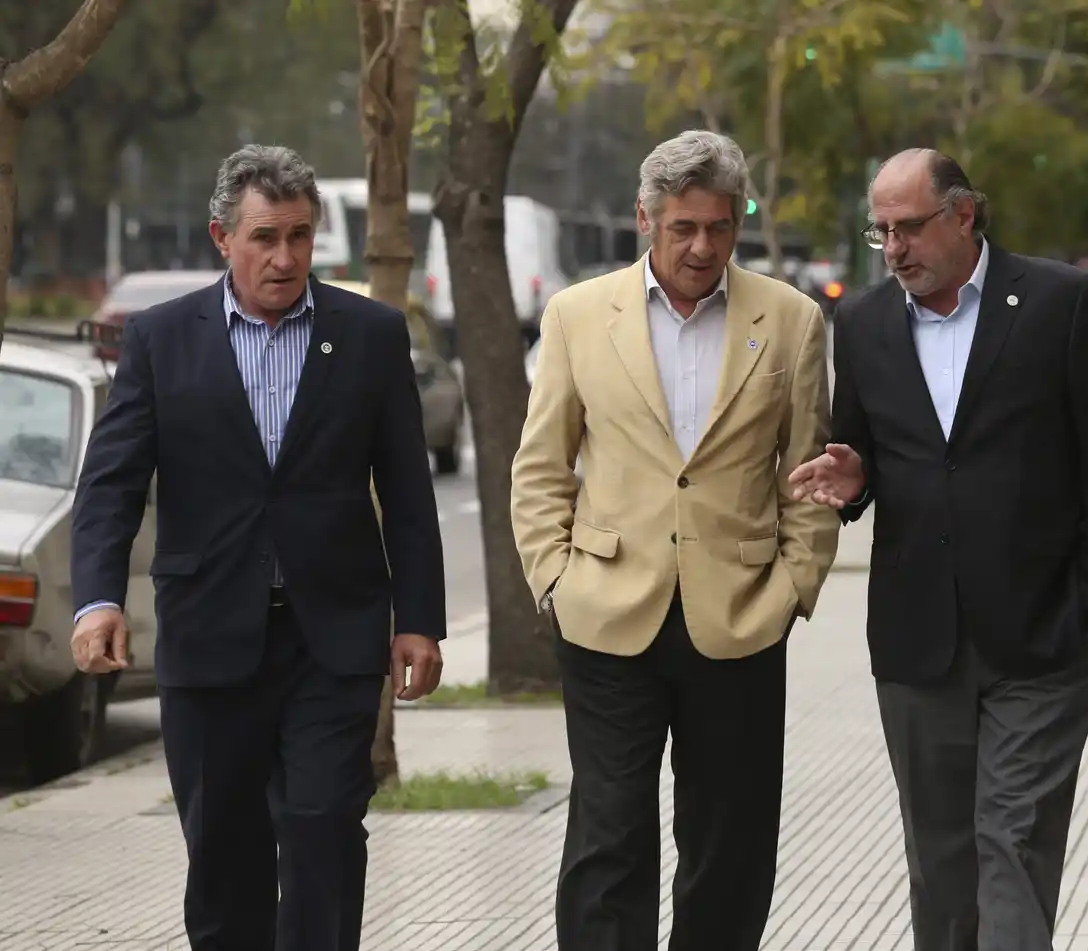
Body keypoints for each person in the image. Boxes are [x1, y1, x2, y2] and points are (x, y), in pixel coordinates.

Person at [69, 145, 447, 951]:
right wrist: (99, 597)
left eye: (301, 238)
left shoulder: (372, 336)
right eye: (266, 237)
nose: (285, 258)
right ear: (221, 236)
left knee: (323, 830)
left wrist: (419, 618)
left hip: (332, 637)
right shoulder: (163, 340)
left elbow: (409, 492)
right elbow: (111, 483)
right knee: (224, 854)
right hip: (210, 639)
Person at [788, 149, 1088, 951]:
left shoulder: (1060, 302)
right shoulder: (864, 323)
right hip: (917, 638)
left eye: (910, 227)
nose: (896, 247)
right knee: (940, 864)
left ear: (965, 215)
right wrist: (851, 475)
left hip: (1043, 637)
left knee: (1012, 841)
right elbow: (862, 454)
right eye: (882, 233)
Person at [510, 129, 840, 951]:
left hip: (740, 615)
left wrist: (794, 585)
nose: (701, 246)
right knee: (608, 832)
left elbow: (809, 474)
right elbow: (541, 465)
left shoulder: (791, 320)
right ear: (645, 220)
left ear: (737, 225)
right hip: (606, 612)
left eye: (719, 228)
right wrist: (555, 577)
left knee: (729, 842)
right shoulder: (578, 316)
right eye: (683, 227)